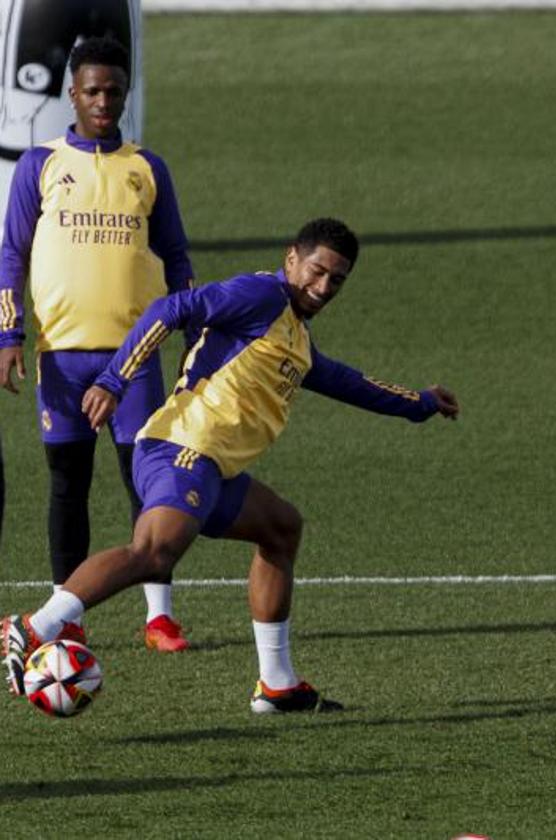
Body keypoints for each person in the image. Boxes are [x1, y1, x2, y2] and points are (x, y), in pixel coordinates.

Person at [3, 218, 459, 712]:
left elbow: (347, 382)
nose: (324, 286)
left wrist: (420, 403)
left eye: (337, 280)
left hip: (210, 466)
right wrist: (116, 380)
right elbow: (172, 307)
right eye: (317, 270)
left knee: (281, 529)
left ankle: (277, 686)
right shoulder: (262, 296)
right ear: (292, 259)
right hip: (182, 447)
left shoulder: (296, 339)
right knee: (154, 552)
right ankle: (30, 627)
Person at [0, 36, 195, 651]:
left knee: (146, 485)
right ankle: (67, 616)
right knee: (67, 483)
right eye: (92, 91)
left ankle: (159, 615)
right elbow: (12, 254)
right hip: (63, 357)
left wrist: (195, 334)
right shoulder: (41, 164)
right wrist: (9, 333)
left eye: (113, 90)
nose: (103, 101)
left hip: (134, 358)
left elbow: (177, 255)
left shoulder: (147, 168)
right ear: (71, 95)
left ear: (124, 93)